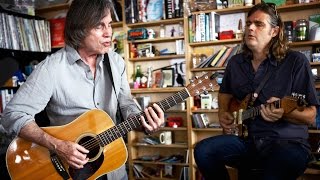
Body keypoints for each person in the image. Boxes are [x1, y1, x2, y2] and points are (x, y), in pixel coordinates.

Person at [1, 0, 164, 179]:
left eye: (109, 24)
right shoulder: (51, 68)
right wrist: (57, 145)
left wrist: (143, 122)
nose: (108, 32)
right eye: (99, 26)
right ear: (79, 29)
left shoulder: (116, 62)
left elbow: (126, 103)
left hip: (113, 167)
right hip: (69, 170)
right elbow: (13, 114)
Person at [194, 2, 319, 180]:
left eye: (259, 24)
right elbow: (225, 93)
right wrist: (223, 112)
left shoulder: (296, 62)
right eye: (248, 24)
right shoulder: (235, 63)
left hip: (288, 143)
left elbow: (311, 115)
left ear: (274, 31)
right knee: (203, 150)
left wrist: (284, 112)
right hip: (248, 141)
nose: (251, 28)